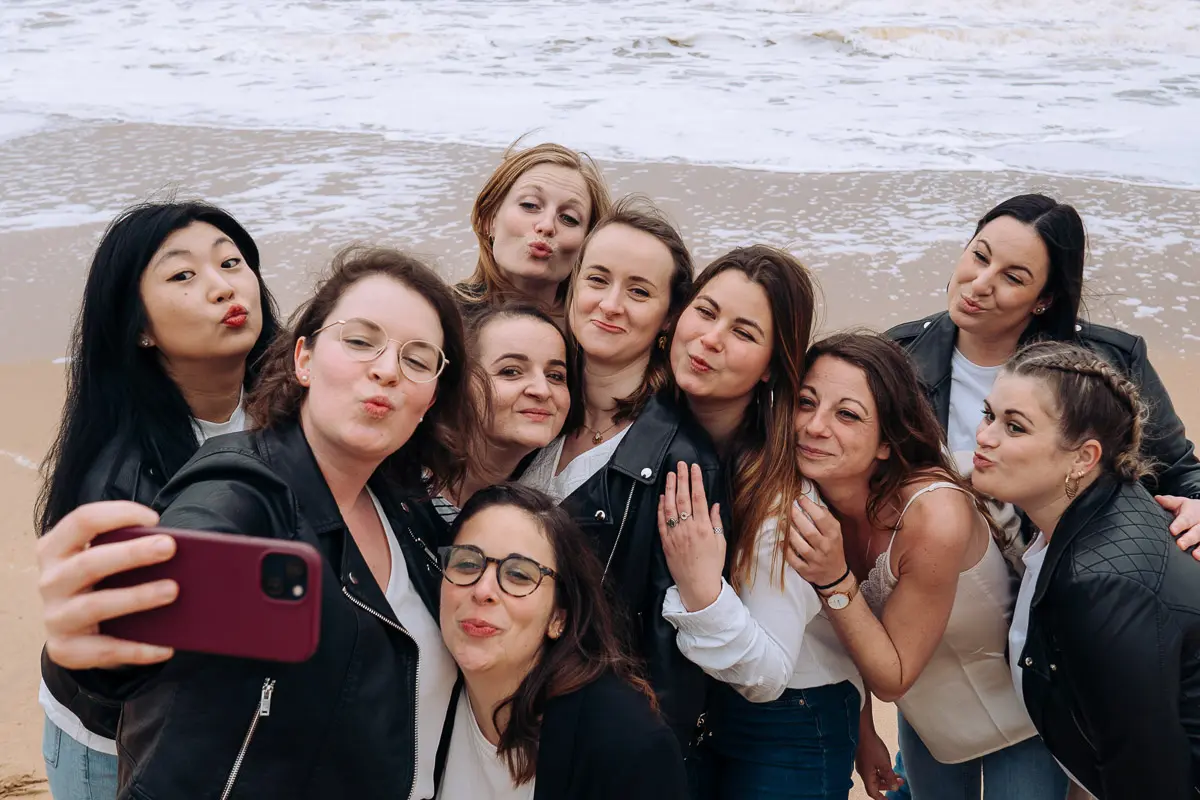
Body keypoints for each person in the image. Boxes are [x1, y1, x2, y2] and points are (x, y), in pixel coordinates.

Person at [37, 247, 479, 798]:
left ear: (430, 397)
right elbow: (191, 560)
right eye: (360, 340)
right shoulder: (244, 491)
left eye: (417, 359)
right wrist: (98, 633)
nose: (388, 369)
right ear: (304, 360)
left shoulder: (404, 505)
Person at [34, 201, 281, 800]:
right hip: (111, 746)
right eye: (183, 275)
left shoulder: (291, 412)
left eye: (232, 262)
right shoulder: (121, 483)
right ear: (140, 328)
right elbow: (134, 659)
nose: (223, 286)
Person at [784, 332, 1066, 800]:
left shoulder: (934, 515)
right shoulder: (807, 497)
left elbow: (892, 676)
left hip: (1025, 717)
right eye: (806, 402)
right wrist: (864, 734)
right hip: (930, 724)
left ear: (886, 442)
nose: (814, 426)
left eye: (847, 414)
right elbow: (837, 635)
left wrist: (833, 577)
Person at [657, 246, 866, 799]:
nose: (710, 339)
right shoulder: (652, 429)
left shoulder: (784, 497)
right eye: (705, 312)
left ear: (773, 364)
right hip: (702, 711)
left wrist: (700, 588)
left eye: (744, 333)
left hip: (792, 717)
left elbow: (768, 674)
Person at [886, 193, 1200, 548]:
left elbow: (1180, 474)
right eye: (980, 256)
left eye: (1013, 277)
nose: (980, 284)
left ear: (1044, 299)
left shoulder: (1110, 362)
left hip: (1070, 561)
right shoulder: (897, 357)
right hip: (937, 563)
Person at [518, 196, 717, 751]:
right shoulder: (533, 412)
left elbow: (671, 656)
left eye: (639, 291)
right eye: (598, 279)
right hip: (499, 714)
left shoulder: (681, 459)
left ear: (670, 317)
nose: (610, 304)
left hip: (591, 736)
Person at [971, 340, 1200, 798]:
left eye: (1014, 427)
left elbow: (1147, 780)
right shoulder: (1105, 506)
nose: (985, 437)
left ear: (1084, 457)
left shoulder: (1099, 586)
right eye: (988, 414)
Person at [437, 483, 688, 799]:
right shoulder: (414, 690)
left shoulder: (627, 745)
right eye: (467, 563)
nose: (483, 590)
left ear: (559, 617)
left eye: (519, 575)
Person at [424, 303, 574, 529]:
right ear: (461, 382)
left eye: (555, 376)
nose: (542, 390)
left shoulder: (547, 517)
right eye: (511, 371)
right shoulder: (394, 488)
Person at [457, 141, 613, 319]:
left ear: (589, 243)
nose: (547, 226)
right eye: (530, 205)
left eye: (569, 218)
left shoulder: (600, 326)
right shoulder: (441, 314)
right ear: (488, 219)